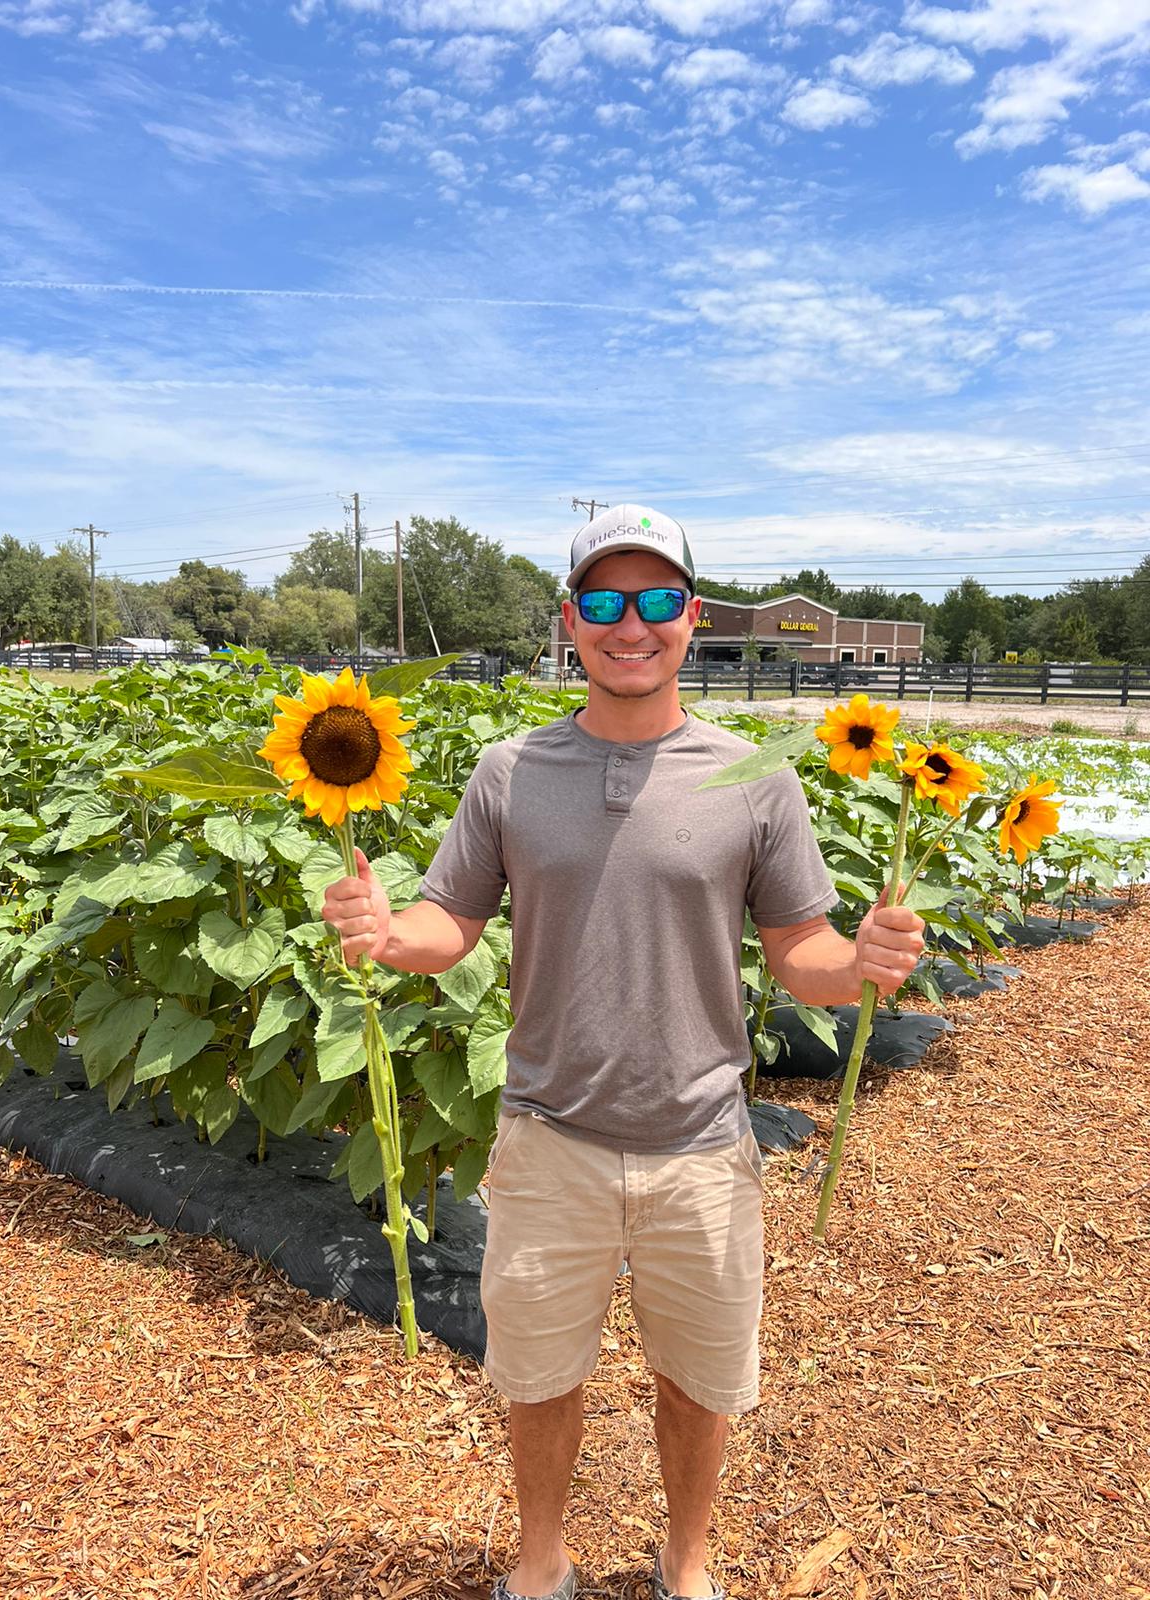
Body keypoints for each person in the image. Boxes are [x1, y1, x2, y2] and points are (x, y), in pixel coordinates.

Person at [322, 504, 926, 1600]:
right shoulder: (511, 771)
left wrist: (865, 962)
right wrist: (382, 930)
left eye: (655, 600)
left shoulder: (757, 774)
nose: (630, 624)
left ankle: (685, 1565)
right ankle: (542, 1559)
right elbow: (446, 923)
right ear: (571, 621)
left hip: (701, 1142)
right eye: (604, 600)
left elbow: (802, 951)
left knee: (698, 1382)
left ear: (692, 617)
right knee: (542, 1376)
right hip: (550, 1139)